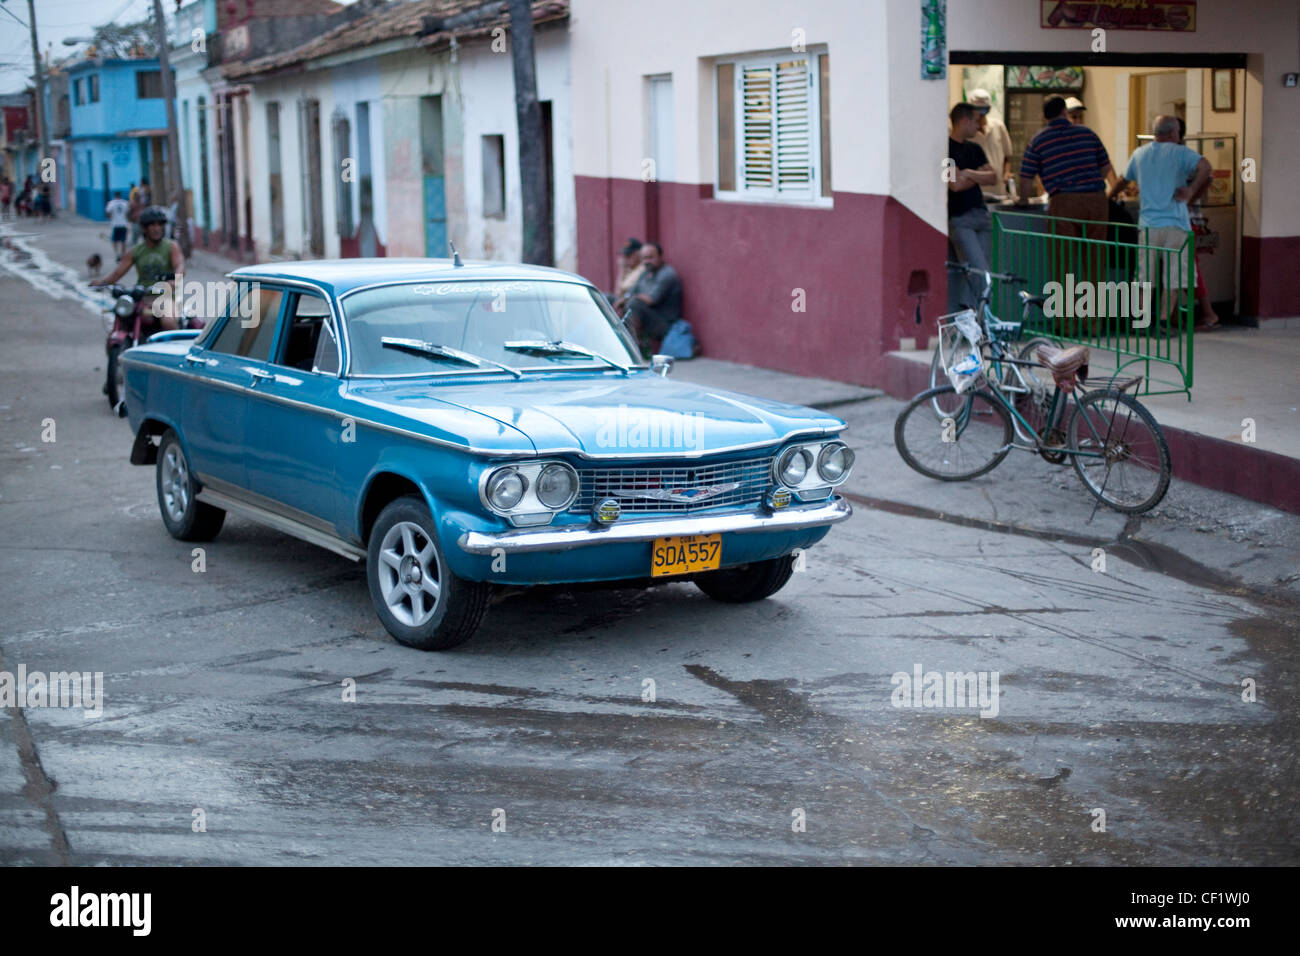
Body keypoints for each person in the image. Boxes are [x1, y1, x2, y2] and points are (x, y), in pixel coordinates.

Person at [1107, 115, 1212, 332]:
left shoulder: (1140, 154)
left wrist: (1107, 197)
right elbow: (1206, 167)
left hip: (1148, 225)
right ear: (1174, 133)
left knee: (1145, 275)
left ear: (1155, 133)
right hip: (1176, 225)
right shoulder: (1182, 153)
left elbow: (1123, 181)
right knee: (1173, 276)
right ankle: (1163, 322)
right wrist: (1191, 191)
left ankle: (1143, 321)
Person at [1017, 95, 1114, 328]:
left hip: (1063, 202)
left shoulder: (1039, 140)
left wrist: (1022, 199)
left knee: (1063, 263)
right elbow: (1105, 168)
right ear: (1065, 112)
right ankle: (1092, 323)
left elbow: (1025, 178)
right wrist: (1087, 184)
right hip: (1096, 201)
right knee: (1094, 262)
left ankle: (1065, 323)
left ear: (1044, 116)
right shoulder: (1087, 133)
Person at [90, 206, 186, 331]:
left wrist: (175, 281)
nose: (156, 228)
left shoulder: (171, 246)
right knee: (122, 318)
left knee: (168, 321)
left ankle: (175, 348)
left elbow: (180, 266)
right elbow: (117, 273)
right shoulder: (136, 251)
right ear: (144, 228)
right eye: (152, 225)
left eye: (159, 225)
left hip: (164, 297)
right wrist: (101, 283)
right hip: (142, 297)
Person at [947, 102, 997, 306]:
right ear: (965, 120)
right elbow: (954, 185)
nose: (979, 126)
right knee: (980, 272)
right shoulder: (945, 149)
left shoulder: (975, 148)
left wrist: (968, 173)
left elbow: (994, 176)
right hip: (960, 217)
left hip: (981, 215)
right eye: (976, 121)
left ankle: (970, 318)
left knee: (978, 269)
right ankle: (985, 320)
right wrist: (978, 176)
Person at [623, 241, 682, 352]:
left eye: (650, 258)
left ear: (660, 256)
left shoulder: (667, 275)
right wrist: (622, 300)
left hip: (665, 324)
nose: (646, 262)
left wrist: (628, 298)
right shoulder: (645, 273)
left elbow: (651, 300)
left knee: (634, 304)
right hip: (648, 317)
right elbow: (631, 292)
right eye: (644, 258)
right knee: (610, 299)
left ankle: (634, 348)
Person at [967, 89, 1012, 199]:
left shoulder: (998, 126)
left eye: (984, 110)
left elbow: (1007, 156)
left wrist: (1006, 173)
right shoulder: (966, 131)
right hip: (974, 191)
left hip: (998, 190)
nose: (981, 115)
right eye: (978, 110)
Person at [609, 237, 644, 312]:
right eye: (624, 256)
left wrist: (622, 269)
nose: (625, 259)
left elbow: (620, 293)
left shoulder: (642, 269)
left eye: (628, 255)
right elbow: (618, 293)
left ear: (639, 253)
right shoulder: (630, 269)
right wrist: (622, 270)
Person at [105, 190, 130, 259]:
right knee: (123, 240)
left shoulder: (111, 203)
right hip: (123, 224)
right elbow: (128, 213)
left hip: (115, 224)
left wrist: (110, 217)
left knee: (114, 240)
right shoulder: (125, 203)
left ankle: (117, 254)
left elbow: (107, 214)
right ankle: (123, 254)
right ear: (120, 195)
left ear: (114, 196)